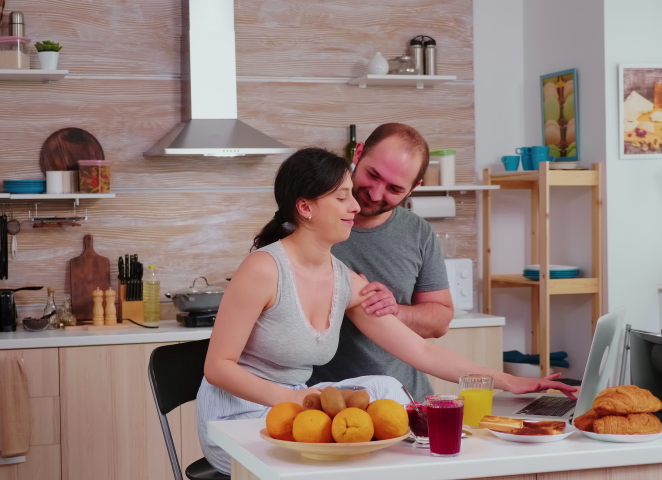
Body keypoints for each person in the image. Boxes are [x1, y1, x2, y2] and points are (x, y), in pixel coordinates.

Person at [196, 147, 576, 475]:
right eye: (342, 197)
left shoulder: (344, 279)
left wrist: (509, 381)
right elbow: (218, 367)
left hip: (297, 410)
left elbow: (420, 350)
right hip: (237, 421)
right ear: (305, 207)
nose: (356, 206)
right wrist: (295, 401)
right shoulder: (263, 269)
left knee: (386, 387)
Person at [310, 123, 452, 402]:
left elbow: (440, 320)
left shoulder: (418, 232)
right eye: (372, 175)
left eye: (394, 188)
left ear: (414, 188)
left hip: (406, 400)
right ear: (358, 153)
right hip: (326, 404)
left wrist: (393, 311)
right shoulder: (311, 222)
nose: (375, 194)